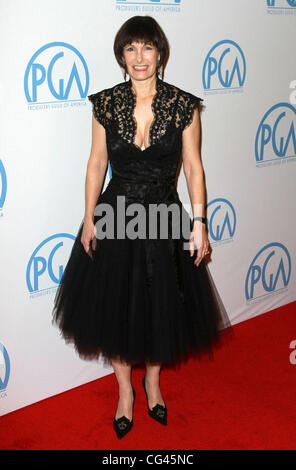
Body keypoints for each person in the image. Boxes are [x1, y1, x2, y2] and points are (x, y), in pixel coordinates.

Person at [52, 15, 233, 440]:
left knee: (160, 307)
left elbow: (193, 167)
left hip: (164, 218)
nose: (139, 57)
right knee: (116, 310)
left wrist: (201, 222)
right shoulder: (105, 104)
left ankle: (151, 382)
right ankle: (124, 392)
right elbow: (97, 164)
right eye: (130, 48)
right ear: (121, 55)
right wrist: (89, 217)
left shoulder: (184, 105)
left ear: (160, 53)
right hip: (115, 217)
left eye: (147, 47)